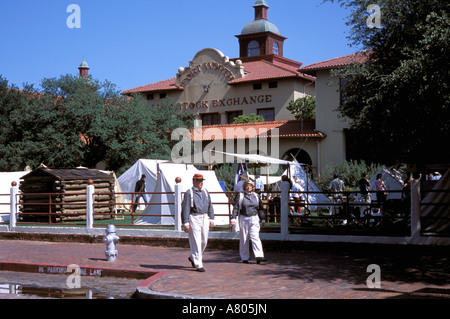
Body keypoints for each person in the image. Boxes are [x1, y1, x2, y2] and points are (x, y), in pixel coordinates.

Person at [181, 173, 215, 272]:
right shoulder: (189, 193)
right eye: (199, 181)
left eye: (202, 181)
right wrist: (186, 223)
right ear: (194, 181)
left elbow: (210, 205)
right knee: (196, 241)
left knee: (204, 241)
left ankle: (193, 257)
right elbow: (185, 208)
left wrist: (211, 218)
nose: (201, 183)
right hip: (194, 217)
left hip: (204, 216)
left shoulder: (205, 192)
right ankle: (198, 263)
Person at [231, 180, 267, 264]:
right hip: (244, 218)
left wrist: (263, 218)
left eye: (250, 186)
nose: (248, 187)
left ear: (253, 187)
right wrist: (233, 218)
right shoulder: (240, 196)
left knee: (255, 237)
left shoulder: (256, 196)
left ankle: (259, 256)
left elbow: (260, 208)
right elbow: (236, 207)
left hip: (254, 218)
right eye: (247, 186)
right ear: (244, 187)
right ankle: (244, 257)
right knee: (244, 238)